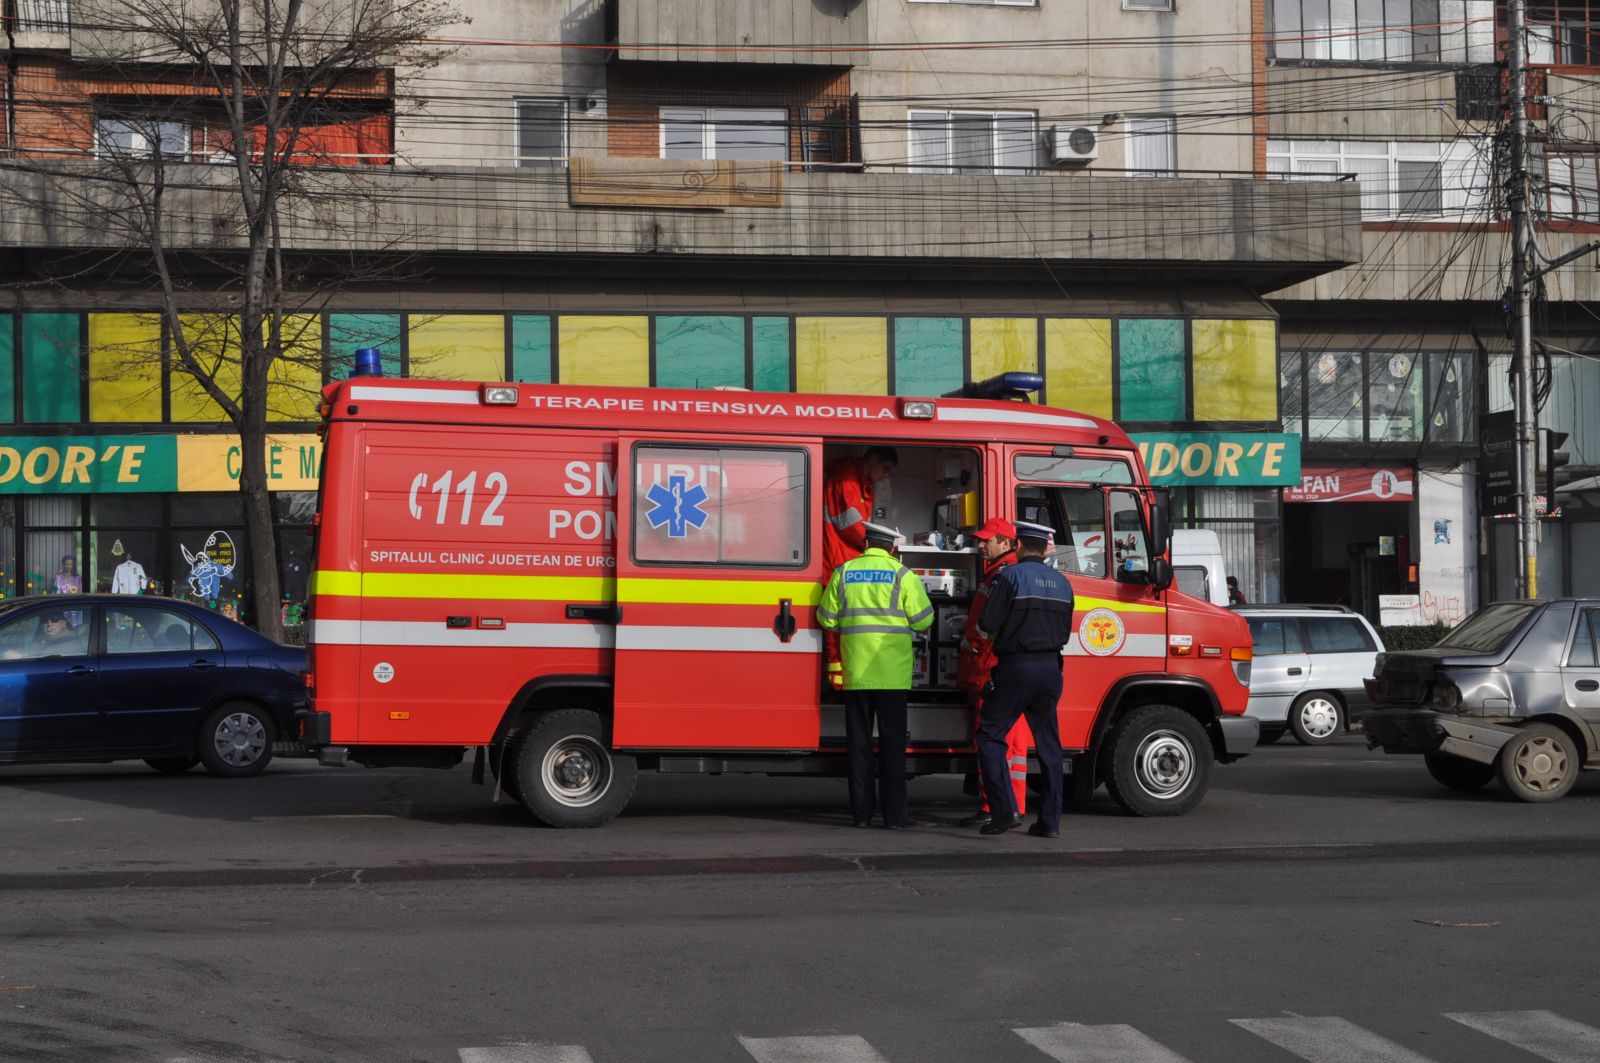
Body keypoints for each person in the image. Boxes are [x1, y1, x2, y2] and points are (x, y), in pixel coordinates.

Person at [816, 521, 933, 830]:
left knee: (858, 746)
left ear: (866, 543)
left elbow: (826, 619)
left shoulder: (844, 572)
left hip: (857, 674)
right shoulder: (901, 574)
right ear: (892, 547)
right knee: (893, 747)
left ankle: (861, 816)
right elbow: (923, 621)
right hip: (892, 676)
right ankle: (895, 817)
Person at [974, 520, 1075, 838]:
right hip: (1050, 669)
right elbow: (1065, 631)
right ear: (1045, 549)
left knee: (990, 736)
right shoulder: (1062, 582)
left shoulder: (1009, 576)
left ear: (1017, 546)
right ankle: (1050, 823)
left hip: (1016, 667)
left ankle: (1003, 813)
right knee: (1049, 747)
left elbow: (987, 622)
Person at [956, 517, 1033, 829]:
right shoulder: (1004, 573)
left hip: (990, 670)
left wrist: (970, 640)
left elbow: (992, 625)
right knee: (1011, 744)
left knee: (990, 740)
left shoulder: (1002, 575)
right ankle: (1012, 805)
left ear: (1005, 542)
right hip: (1004, 671)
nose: (981, 544)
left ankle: (994, 807)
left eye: (987, 540)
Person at [820, 447, 898, 691]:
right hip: (836, 562)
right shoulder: (847, 480)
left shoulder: (860, 483)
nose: (885, 475)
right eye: (885, 468)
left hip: (844, 562)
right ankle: (837, 684)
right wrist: (884, 546)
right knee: (838, 628)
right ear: (873, 460)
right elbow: (852, 527)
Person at [4, 611, 88, 659]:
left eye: (54, 619)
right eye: (44, 620)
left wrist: (20, 657)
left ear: (64, 623)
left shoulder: (70, 641)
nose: (49, 624)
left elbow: (45, 662)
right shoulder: (42, 640)